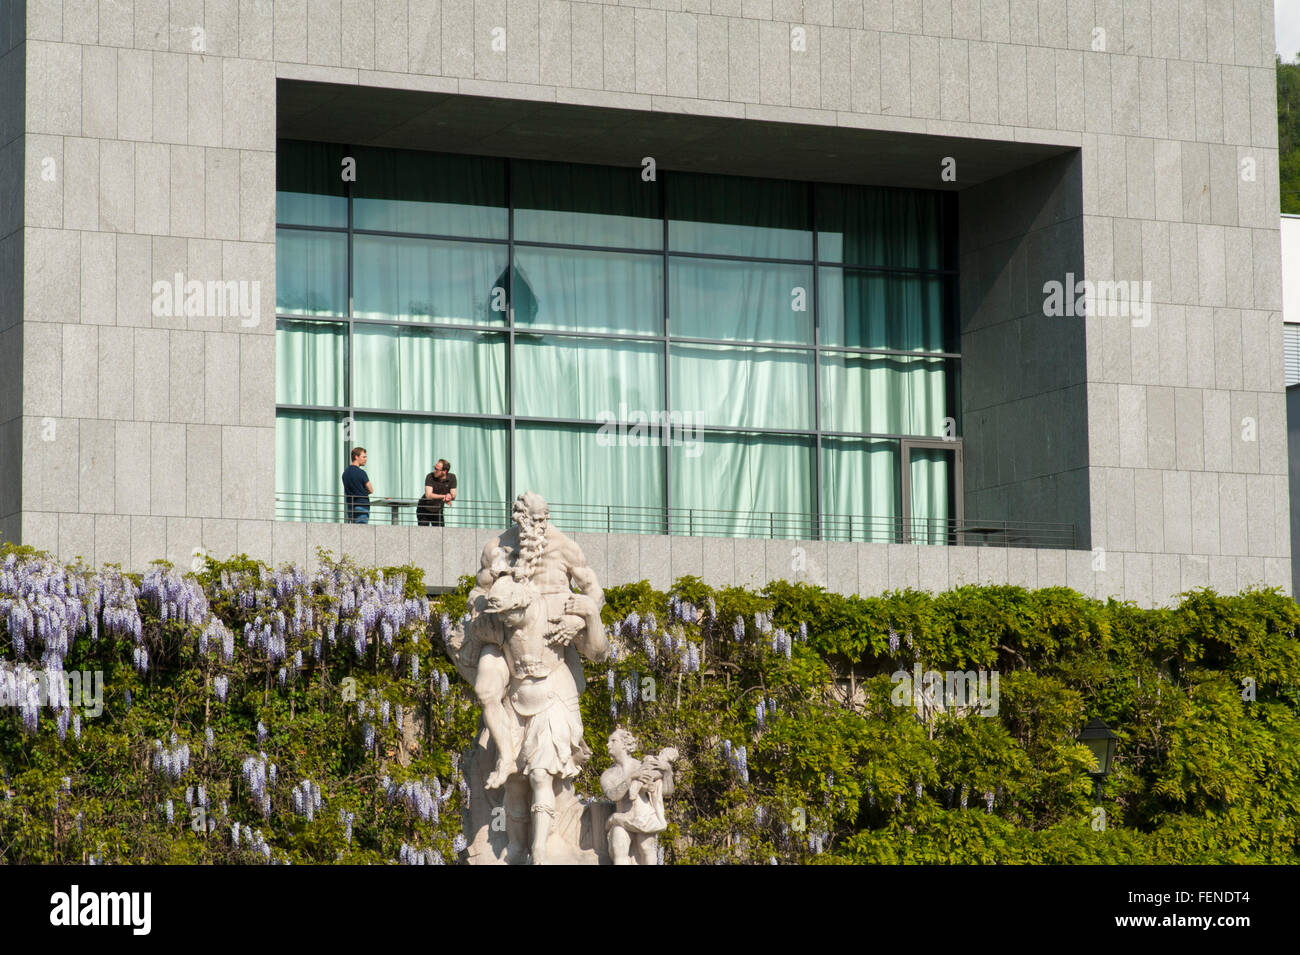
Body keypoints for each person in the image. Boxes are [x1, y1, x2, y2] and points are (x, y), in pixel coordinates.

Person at [417, 459, 457, 527]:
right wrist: (445, 496)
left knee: (440, 534)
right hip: (424, 509)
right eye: (434, 468)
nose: (434, 470)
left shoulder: (452, 478)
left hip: (438, 510)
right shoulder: (430, 476)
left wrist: (450, 496)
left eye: (437, 469)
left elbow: (453, 495)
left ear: (444, 471)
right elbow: (428, 495)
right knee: (423, 533)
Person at [341, 447, 373, 523]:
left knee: (353, 530)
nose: (366, 459)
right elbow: (371, 490)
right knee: (361, 530)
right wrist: (363, 491)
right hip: (362, 505)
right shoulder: (361, 473)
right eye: (363, 457)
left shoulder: (345, 473)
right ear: (356, 457)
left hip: (350, 506)